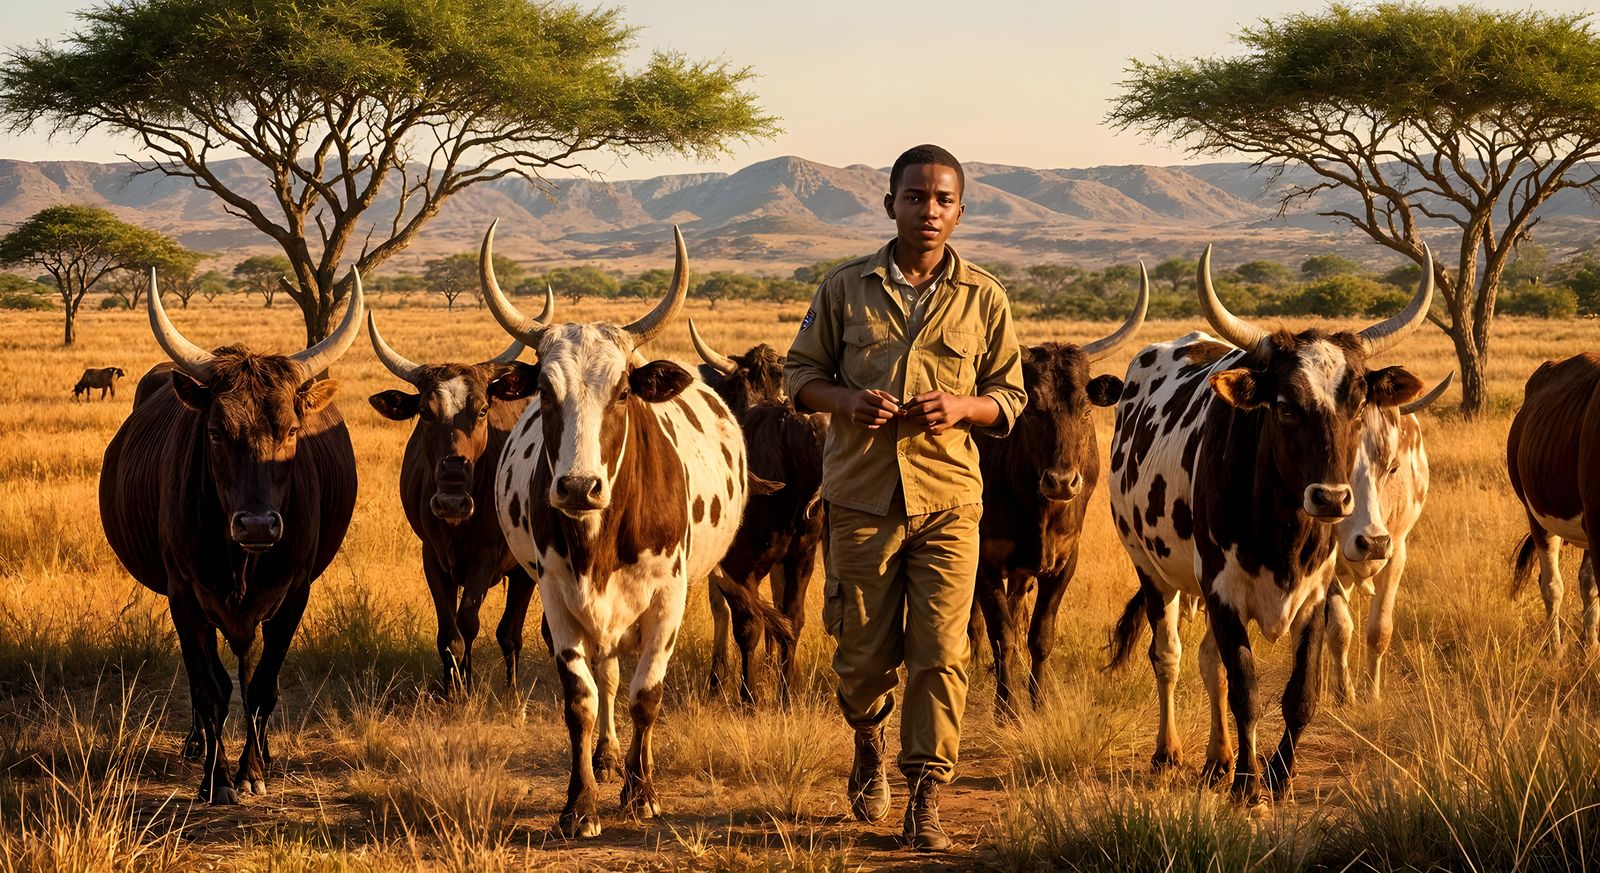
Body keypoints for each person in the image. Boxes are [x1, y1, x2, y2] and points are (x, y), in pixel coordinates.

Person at [783, 144, 1026, 851]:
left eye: (943, 199)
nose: (929, 210)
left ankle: (926, 796)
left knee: (942, 652)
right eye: (915, 197)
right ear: (890, 204)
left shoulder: (985, 297)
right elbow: (799, 376)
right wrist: (847, 400)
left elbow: (1010, 396)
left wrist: (964, 407)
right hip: (861, 498)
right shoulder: (843, 289)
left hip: (949, 499)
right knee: (862, 656)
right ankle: (868, 735)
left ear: (960, 210)